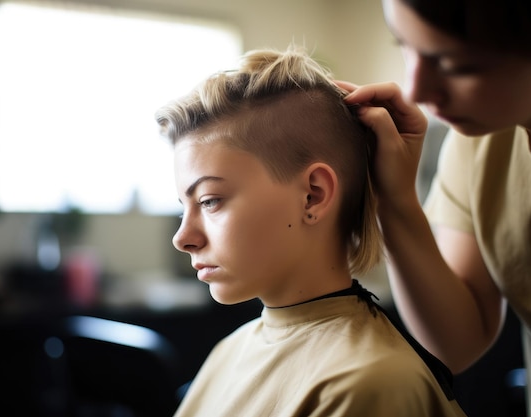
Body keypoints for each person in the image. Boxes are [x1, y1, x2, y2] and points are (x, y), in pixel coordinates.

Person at [156, 45, 467, 417]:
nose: (182, 237)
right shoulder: (228, 352)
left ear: (312, 196)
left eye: (209, 201)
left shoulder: (369, 385)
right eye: (183, 207)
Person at [338, 0, 531, 416]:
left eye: (458, 65)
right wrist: (393, 200)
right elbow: (458, 341)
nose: (415, 90)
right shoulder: (478, 139)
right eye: (405, 46)